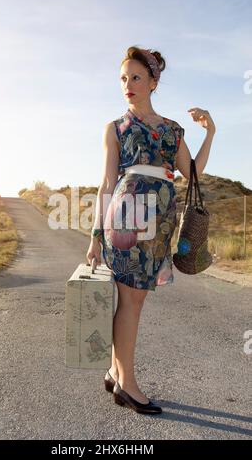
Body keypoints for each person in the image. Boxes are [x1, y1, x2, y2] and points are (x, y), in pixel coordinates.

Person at [86, 45, 216, 415]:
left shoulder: (172, 130)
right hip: (126, 220)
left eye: (136, 77)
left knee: (134, 299)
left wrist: (211, 133)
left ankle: (115, 371)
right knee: (131, 300)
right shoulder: (115, 128)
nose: (128, 84)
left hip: (160, 224)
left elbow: (192, 173)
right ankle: (127, 385)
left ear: (153, 81)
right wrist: (96, 236)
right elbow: (107, 183)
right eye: (124, 78)